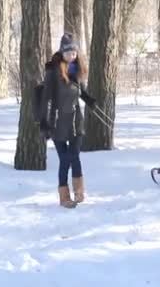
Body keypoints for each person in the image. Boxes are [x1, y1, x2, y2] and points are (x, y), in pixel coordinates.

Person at [40, 33, 96, 208]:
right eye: (68, 53)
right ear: (62, 52)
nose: (71, 56)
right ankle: (64, 197)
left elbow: (82, 91)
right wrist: (45, 123)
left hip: (76, 122)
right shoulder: (53, 71)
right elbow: (46, 98)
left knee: (75, 157)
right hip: (57, 123)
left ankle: (79, 193)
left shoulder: (77, 69)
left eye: (74, 52)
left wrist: (89, 100)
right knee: (65, 159)